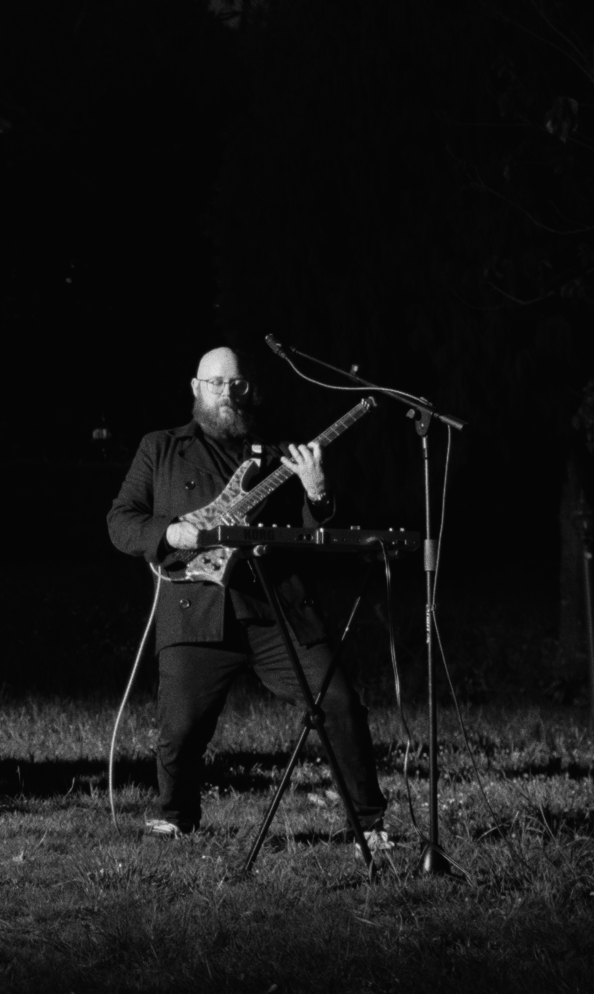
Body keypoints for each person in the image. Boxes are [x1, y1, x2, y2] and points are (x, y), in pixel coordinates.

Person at [106, 346, 388, 841]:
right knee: (180, 727)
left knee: (339, 702)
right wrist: (169, 532)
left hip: (275, 607)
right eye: (215, 383)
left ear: (248, 389)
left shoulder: (279, 453)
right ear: (196, 388)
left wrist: (317, 491)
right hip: (196, 607)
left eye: (235, 384)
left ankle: (367, 825)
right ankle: (177, 816)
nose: (226, 393)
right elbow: (120, 521)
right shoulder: (161, 447)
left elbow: (316, 534)